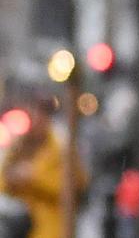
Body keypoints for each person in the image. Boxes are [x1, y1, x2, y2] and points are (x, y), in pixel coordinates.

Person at [0, 97, 85, 238]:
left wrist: (33, 178)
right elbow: (2, 182)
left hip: (51, 228)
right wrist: (12, 178)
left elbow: (72, 187)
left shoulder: (61, 149)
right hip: (19, 227)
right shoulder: (18, 148)